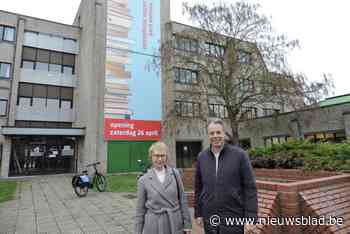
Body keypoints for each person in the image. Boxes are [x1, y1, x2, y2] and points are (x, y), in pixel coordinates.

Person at [194, 119, 258, 234]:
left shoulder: (240, 155)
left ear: (224, 133)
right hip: (210, 218)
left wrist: (251, 218)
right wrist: (198, 213)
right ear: (208, 135)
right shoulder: (201, 157)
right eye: (212, 133)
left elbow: (250, 188)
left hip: (233, 218)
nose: (215, 136)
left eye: (218, 132)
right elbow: (198, 187)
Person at [135, 141, 192, 234]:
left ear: (167, 157)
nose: (160, 159)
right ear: (151, 157)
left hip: (174, 222)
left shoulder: (175, 174)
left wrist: (187, 225)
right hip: (154, 225)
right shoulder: (143, 180)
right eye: (156, 156)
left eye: (162, 155)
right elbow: (140, 211)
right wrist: (138, 231)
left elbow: (182, 199)